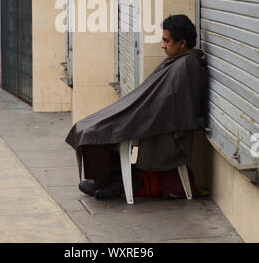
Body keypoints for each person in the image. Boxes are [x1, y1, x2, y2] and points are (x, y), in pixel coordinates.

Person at [65, 14, 207, 200]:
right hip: (146, 117)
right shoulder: (176, 61)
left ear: (182, 43)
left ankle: (110, 179)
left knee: (93, 132)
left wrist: (134, 117)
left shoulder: (187, 64)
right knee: (85, 127)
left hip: (159, 128)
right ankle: (109, 178)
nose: (162, 45)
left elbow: (170, 107)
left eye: (166, 41)